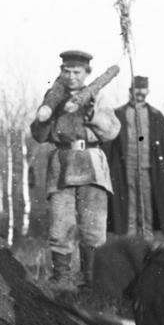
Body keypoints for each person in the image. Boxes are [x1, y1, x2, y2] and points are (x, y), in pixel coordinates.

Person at [30, 49, 121, 287]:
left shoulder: (98, 96)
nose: (71, 77)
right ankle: (62, 279)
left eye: (77, 72)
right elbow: (39, 135)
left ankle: (92, 281)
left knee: (93, 228)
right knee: (60, 225)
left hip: (91, 162)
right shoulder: (54, 96)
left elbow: (112, 131)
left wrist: (91, 113)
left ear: (86, 73)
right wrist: (45, 116)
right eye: (66, 71)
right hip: (62, 165)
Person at [104, 75, 164, 242]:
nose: (139, 92)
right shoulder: (118, 114)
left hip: (149, 170)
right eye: (136, 88)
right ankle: (131, 244)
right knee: (128, 210)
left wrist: (162, 171)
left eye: (142, 88)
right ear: (130, 91)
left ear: (147, 91)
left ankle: (147, 243)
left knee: (148, 208)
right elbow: (109, 146)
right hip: (124, 171)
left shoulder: (156, 115)